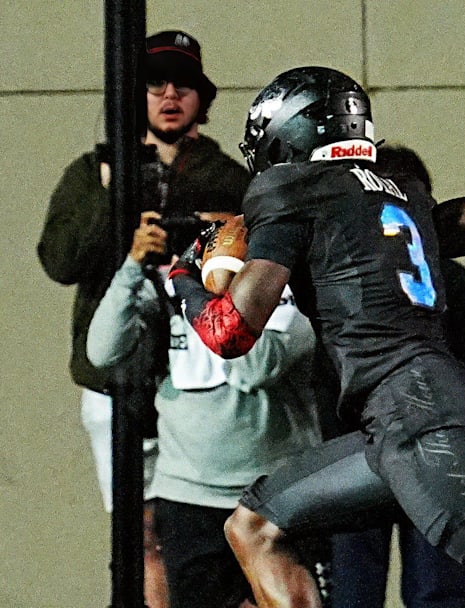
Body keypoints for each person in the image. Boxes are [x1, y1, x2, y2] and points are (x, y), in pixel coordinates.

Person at [166, 66, 465, 608]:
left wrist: (183, 278)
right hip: (415, 410)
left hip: (410, 409)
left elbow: (229, 334)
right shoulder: (398, 187)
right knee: (256, 525)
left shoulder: (287, 188)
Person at [36, 29, 249, 608]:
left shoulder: (228, 178)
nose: (169, 96)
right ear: (136, 96)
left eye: (183, 85)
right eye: (155, 85)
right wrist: (112, 199)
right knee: (142, 532)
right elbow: (59, 261)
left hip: (198, 381)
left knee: (213, 531)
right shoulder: (96, 171)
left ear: (203, 99)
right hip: (113, 378)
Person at [86, 203, 321, 607]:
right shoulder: (169, 287)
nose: (210, 241)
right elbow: (102, 351)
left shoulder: (290, 289)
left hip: (277, 491)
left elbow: (252, 368)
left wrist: (226, 276)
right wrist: (132, 268)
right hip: (189, 494)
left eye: (220, 229)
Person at [329, 145, 465, 608]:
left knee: (420, 587)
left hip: (380, 447)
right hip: (401, 448)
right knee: (368, 587)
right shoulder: (448, 279)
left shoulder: (339, 277)